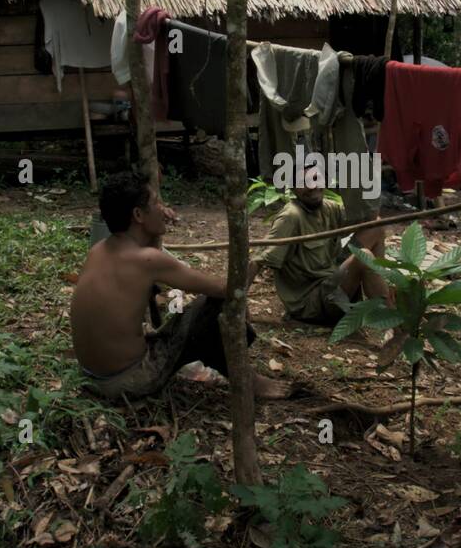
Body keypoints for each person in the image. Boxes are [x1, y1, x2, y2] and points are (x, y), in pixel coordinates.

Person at [71, 170, 286, 400]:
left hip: (91, 377)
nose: (163, 208)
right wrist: (256, 264)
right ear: (138, 215)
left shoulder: (99, 250)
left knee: (185, 315)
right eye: (156, 202)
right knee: (210, 308)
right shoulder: (148, 260)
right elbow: (226, 289)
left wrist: (154, 229)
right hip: (128, 381)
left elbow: (146, 258)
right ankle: (250, 382)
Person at [247, 168, 392, 326]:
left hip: (332, 279)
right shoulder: (290, 217)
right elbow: (257, 261)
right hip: (312, 303)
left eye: (316, 178)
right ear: (293, 188)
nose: (312, 186)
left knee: (376, 225)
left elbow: (368, 217)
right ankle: (393, 322)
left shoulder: (329, 208)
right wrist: (238, 303)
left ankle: (381, 291)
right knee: (363, 256)